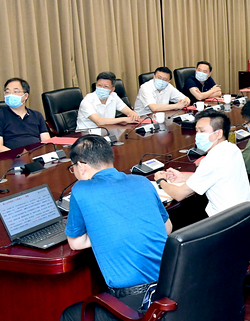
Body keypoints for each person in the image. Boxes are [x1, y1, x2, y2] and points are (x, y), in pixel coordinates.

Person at [60, 135, 172, 321]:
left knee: (70, 315)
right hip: (169, 288)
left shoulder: (81, 189)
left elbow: (76, 243)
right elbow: (167, 227)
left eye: (73, 168)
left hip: (136, 303)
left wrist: (104, 231)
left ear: (81, 166)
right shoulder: (142, 181)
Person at [154, 111, 250, 216]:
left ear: (218, 133)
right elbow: (215, 176)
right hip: (246, 215)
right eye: (197, 131)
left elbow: (179, 194)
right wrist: (183, 177)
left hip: (227, 221)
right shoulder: (232, 148)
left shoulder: (212, 161)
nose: (197, 135)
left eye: (202, 131)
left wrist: (161, 181)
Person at [0, 77, 51, 153]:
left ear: (25, 96)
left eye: (16, 91)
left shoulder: (37, 115)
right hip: (13, 157)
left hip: (38, 154)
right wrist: (19, 156)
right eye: (7, 92)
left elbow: (46, 141)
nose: (10, 95)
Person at [76, 72, 141, 131]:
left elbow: (129, 111)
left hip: (107, 131)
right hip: (86, 134)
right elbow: (99, 122)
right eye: (99, 85)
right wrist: (124, 119)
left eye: (106, 86)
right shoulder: (87, 101)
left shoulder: (114, 96)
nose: (102, 88)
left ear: (112, 89)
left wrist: (133, 114)